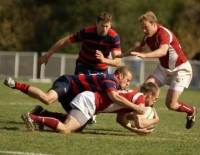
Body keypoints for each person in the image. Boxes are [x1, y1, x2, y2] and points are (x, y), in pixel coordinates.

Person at [116, 11, 196, 129]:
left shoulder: (164, 33)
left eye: (146, 27)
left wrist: (146, 56)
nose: (143, 30)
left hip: (180, 70)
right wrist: (123, 55)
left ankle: (191, 111)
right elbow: (140, 48)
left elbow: (163, 51)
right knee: (145, 88)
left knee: (171, 104)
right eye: (142, 28)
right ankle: (144, 117)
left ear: (154, 24)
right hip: (164, 68)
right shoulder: (147, 37)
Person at [38, 11, 122, 124]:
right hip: (84, 65)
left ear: (110, 25)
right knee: (77, 92)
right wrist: (48, 55)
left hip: (101, 69)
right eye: (102, 25)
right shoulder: (87, 32)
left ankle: (86, 115)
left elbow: (117, 62)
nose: (104, 29)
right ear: (96, 23)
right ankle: (75, 115)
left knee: (100, 96)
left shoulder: (113, 37)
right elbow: (65, 41)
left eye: (107, 26)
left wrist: (104, 60)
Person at [21, 82, 160, 135]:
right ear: (149, 94)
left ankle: (43, 113)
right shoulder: (140, 98)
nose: (155, 101)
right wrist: (155, 119)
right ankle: (33, 118)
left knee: (77, 128)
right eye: (155, 98)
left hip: (90, 102)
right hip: (89, 102)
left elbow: (120, 119)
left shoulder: (135, 97)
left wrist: (134, 131)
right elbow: (140, 122)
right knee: (66, 129)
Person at [4, 66, 144, 114]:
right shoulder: (110, 79)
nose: (127, 84)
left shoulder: (110, 80)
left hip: (74, 95)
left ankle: (40, 114)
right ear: (120, 75)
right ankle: (16, 85)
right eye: (127, 80)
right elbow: (114, 97)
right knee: (48, 99)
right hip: (68, 83)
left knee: (74, 124)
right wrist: (135, 107)